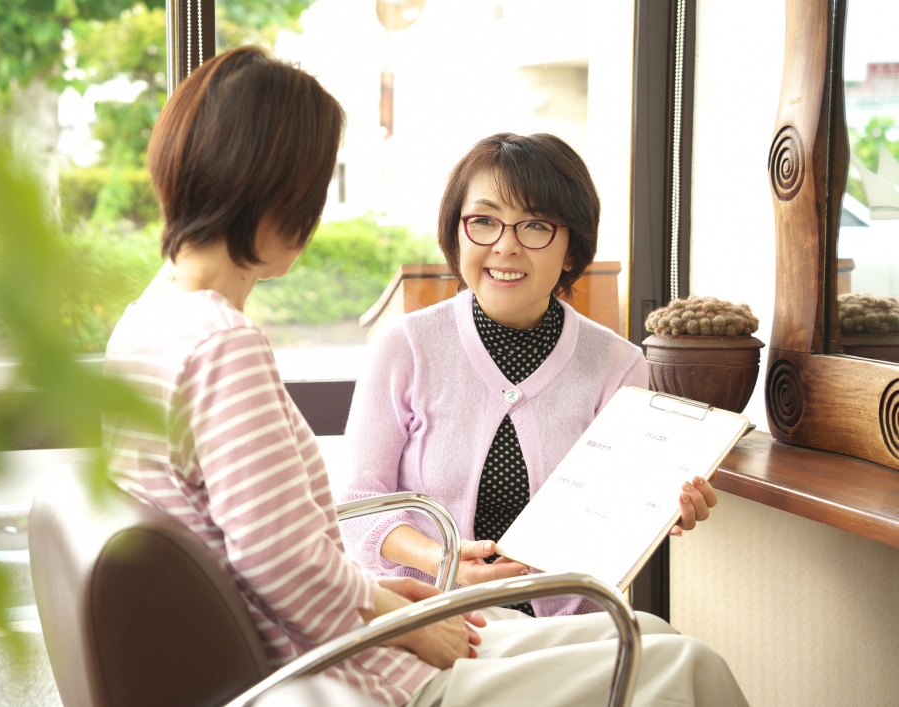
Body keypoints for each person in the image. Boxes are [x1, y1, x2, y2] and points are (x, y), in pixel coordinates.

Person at [103, 48, 748, 707]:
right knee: (682, 665)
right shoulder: (224, 346)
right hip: (358, 668)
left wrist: (384, 600)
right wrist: (396, 617)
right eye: (316, 185)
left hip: (347, 641)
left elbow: (277, 551)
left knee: (652, 635)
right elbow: (283, 562)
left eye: (534, 226)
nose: (506, 245)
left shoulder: (147, 323)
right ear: (279, 193)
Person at [338, 132, 720, 618]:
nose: (506, 246)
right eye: (484, 221)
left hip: (565, 630)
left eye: (535, 226)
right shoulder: (406, 347)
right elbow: (358, 504)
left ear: (571, 251)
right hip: (428, 621)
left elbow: (612, 516)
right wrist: (448, 561)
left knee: (679, 661)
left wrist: (659, 511)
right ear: (457, 233)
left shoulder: (617, 366)